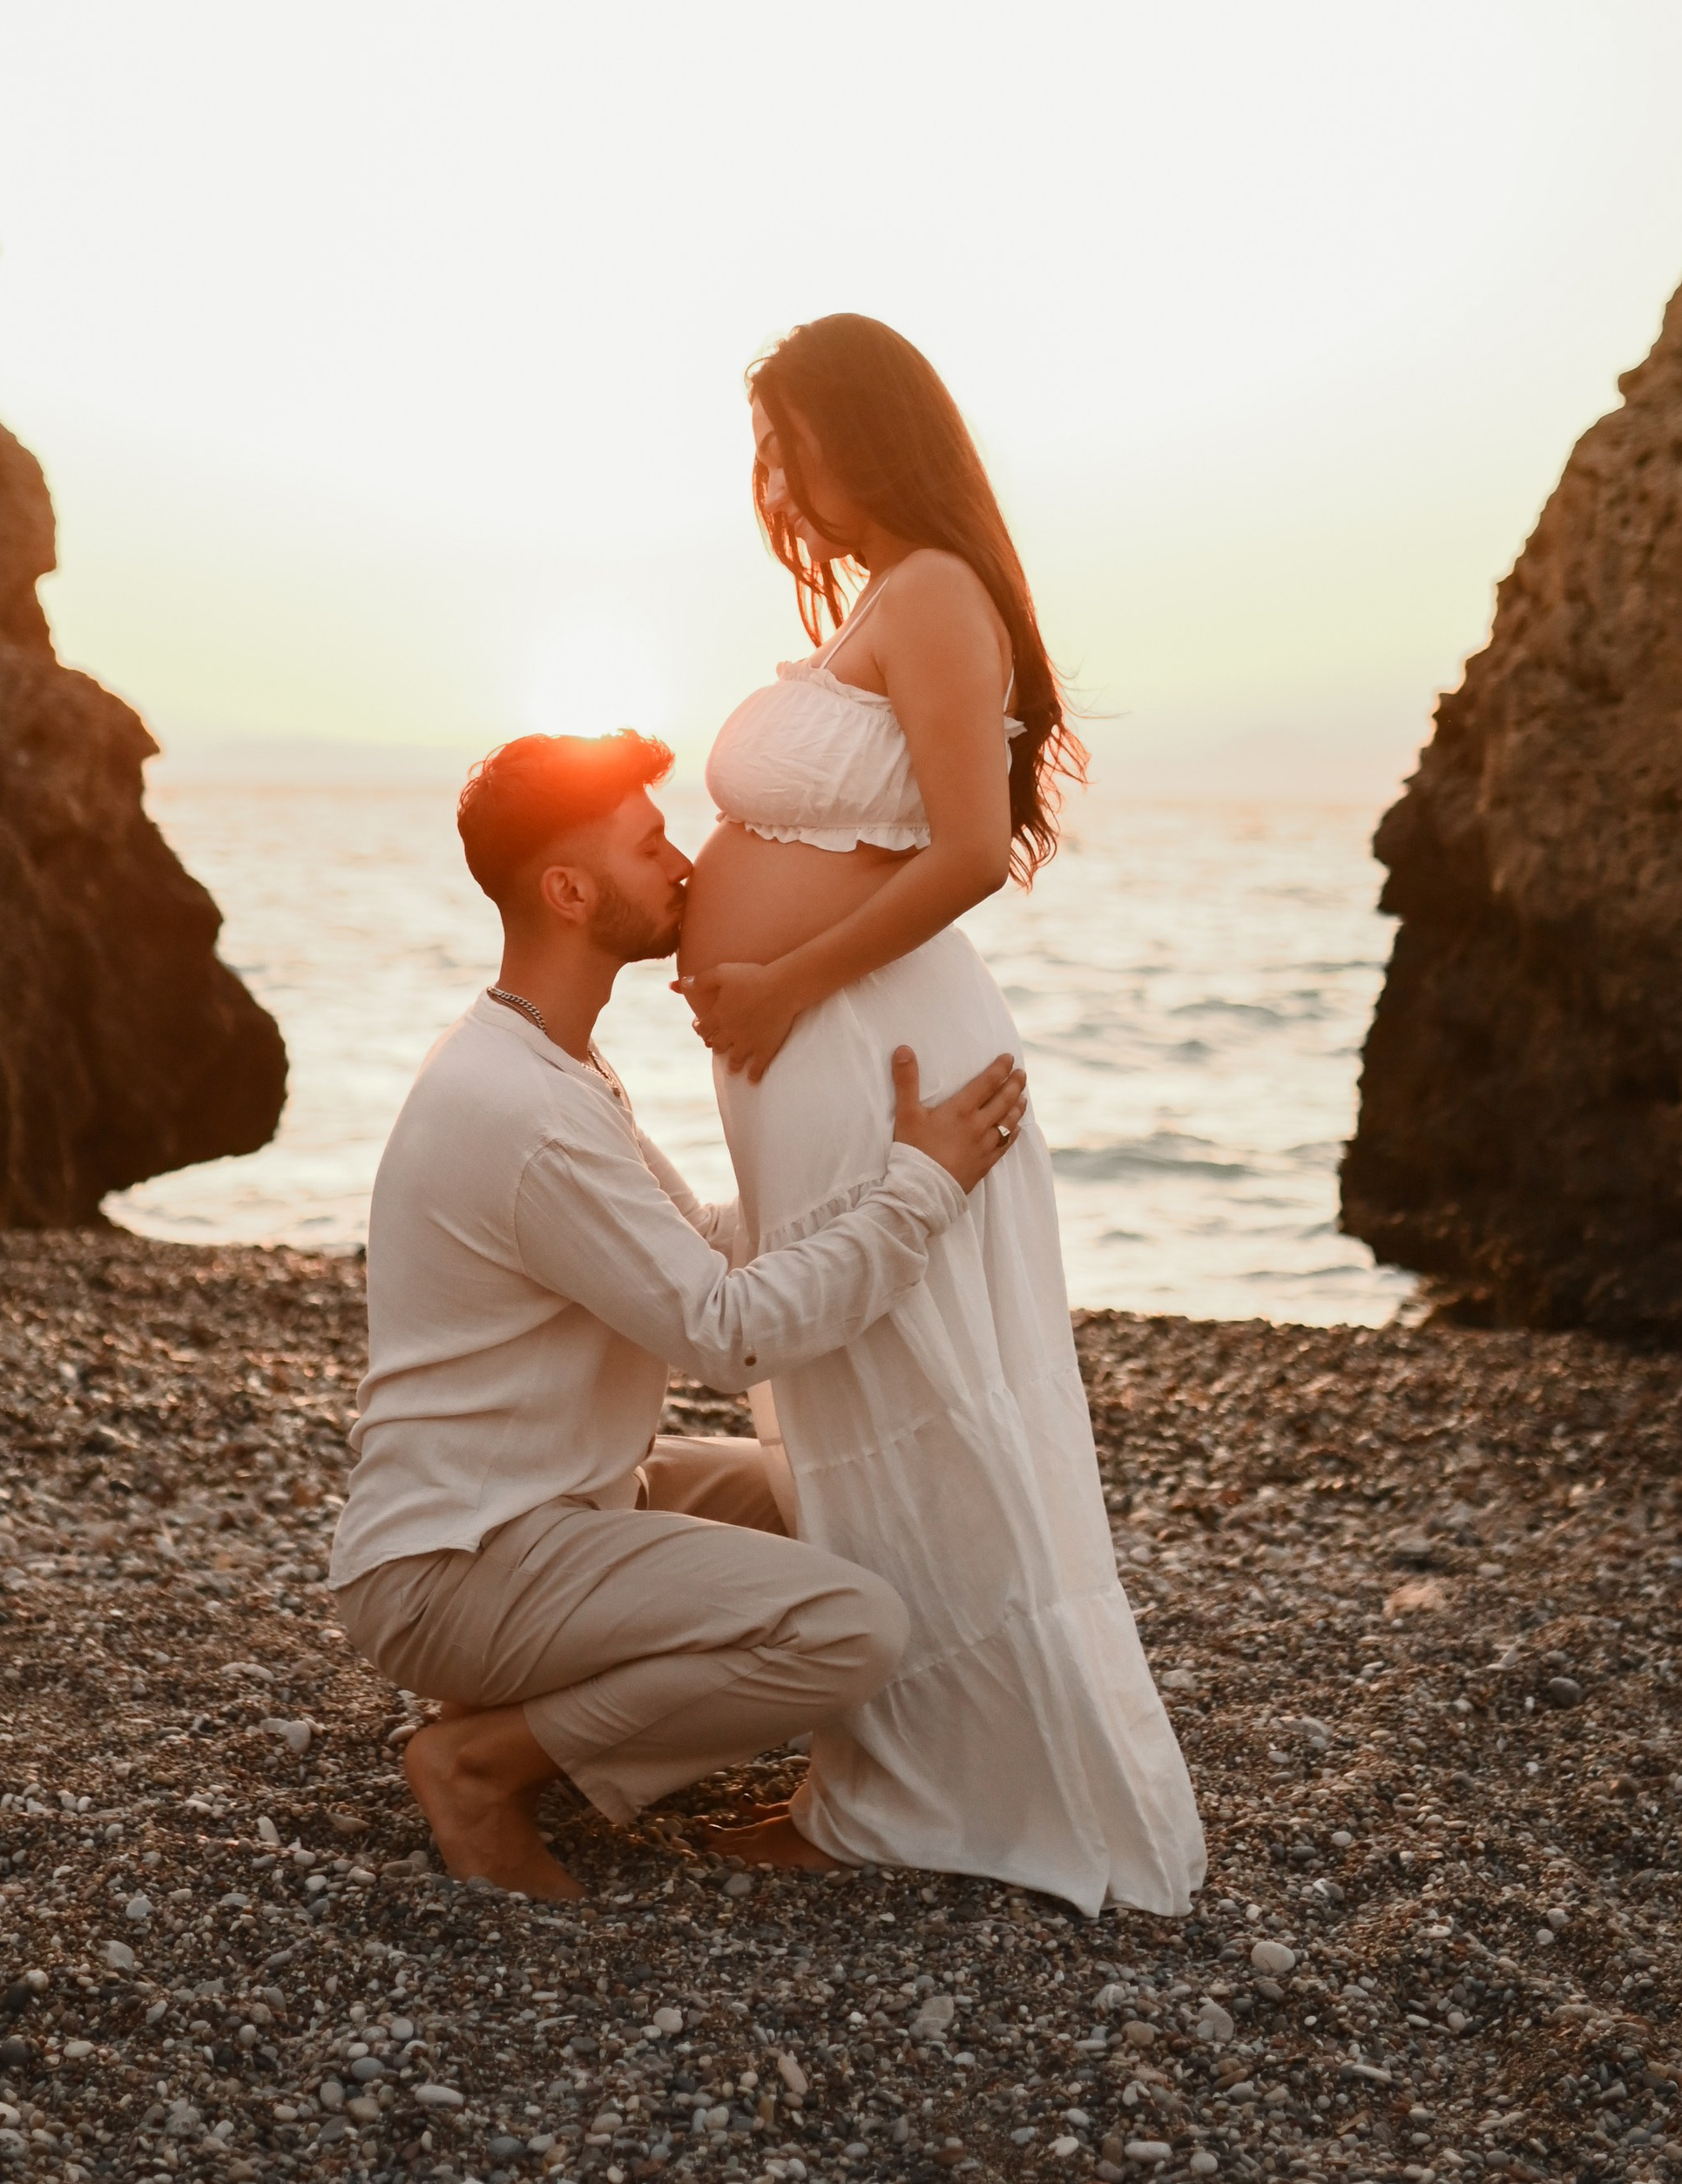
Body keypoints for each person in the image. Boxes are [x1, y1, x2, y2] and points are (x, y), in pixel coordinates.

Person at [673, 312, 1205, 1916]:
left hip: (872, 1049)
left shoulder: (934, 594)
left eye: (791, 445)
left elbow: (969, 851)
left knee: (919, 1402)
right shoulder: (888, 598)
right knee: (860, 1411)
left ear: (867, 433)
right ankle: (882, 1776)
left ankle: (921, 1792)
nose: (776, 483)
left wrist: (780, 983)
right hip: (818, 1044)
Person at [326, 726, 1027, 1901]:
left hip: (566, 1504)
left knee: (850, 1488)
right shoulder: (526, 1109)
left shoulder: (547, 1062)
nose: (686, 866)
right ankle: (480, 1765)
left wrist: (871, 1152)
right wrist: (920, 1193)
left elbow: (701, 1240)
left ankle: (556, 1706)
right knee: (847, 1628)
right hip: (456, 1567)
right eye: (649, 846)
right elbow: (725, 1333)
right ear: (569, 892)